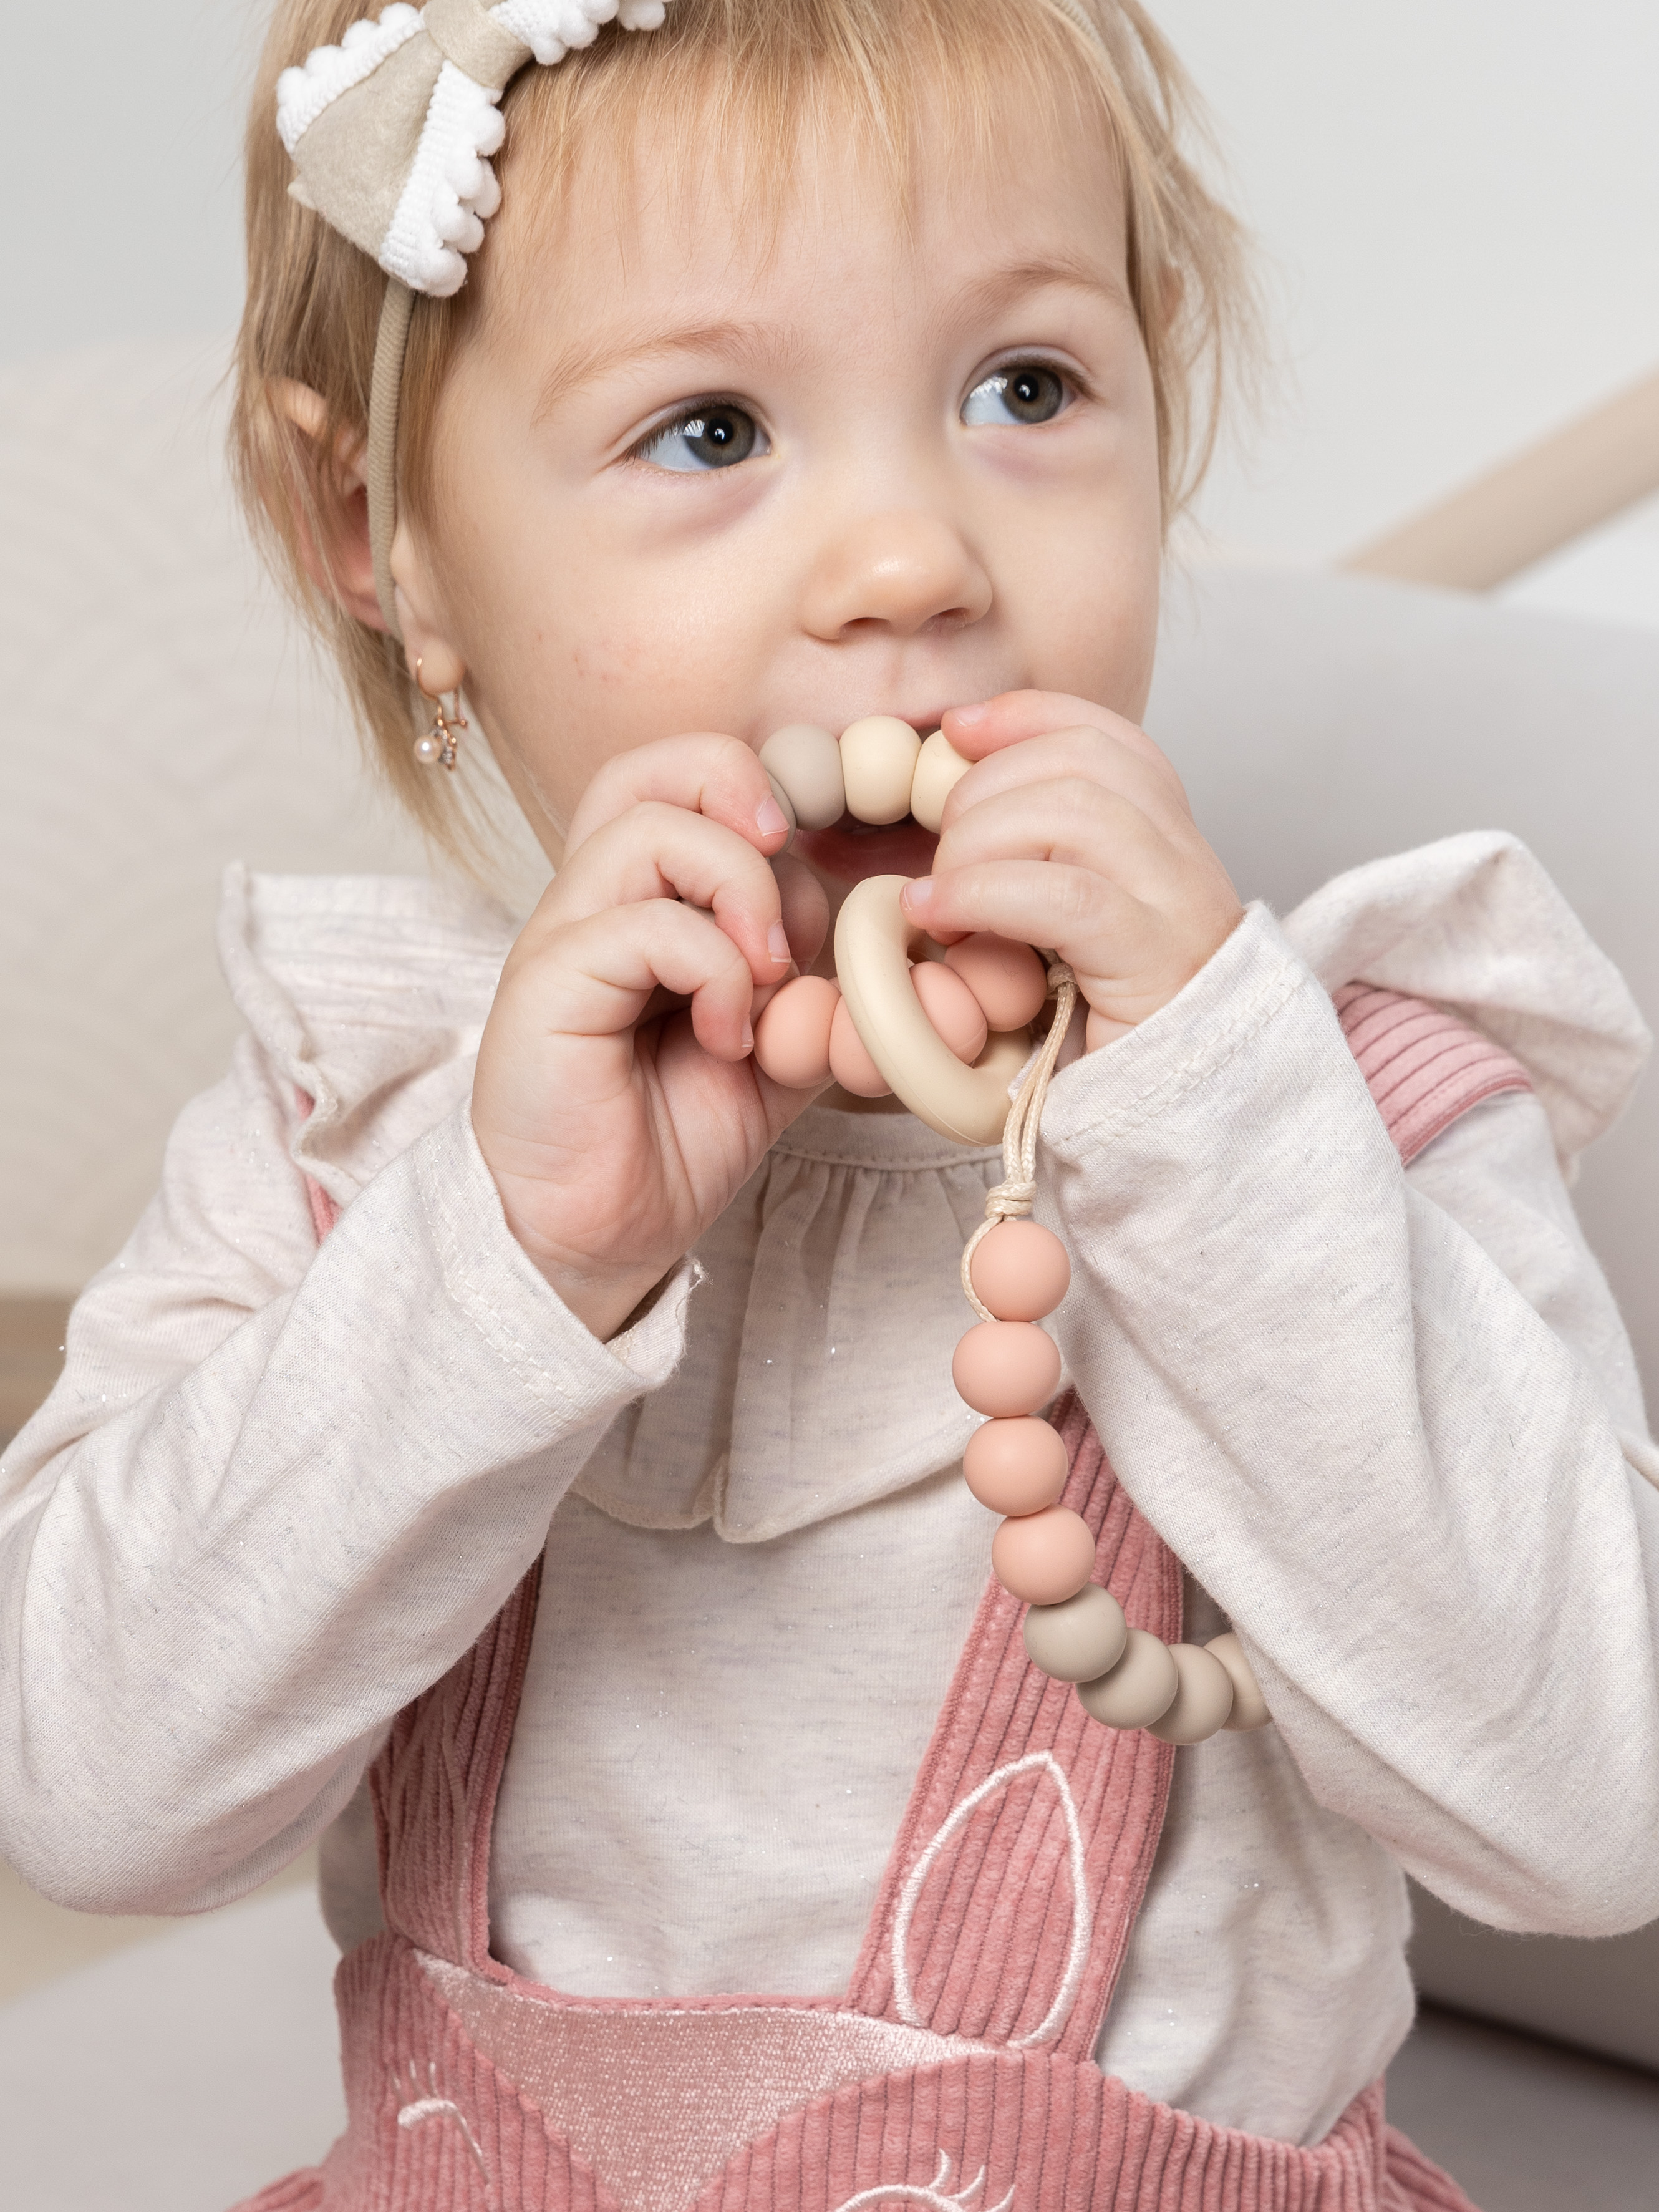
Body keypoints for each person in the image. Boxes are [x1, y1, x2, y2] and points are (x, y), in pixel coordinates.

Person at [2, 0, 1656, 2205]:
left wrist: (1208, 1106)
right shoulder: (372, 1121)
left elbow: (1589, 1810)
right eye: (707, 428)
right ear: (372, 528)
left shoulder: (1332, 1096)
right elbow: (88, 1792)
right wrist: (514, 1262)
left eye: (1026, 391)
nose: (913, 558)